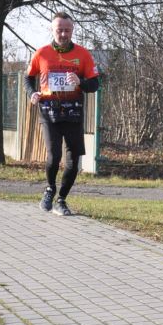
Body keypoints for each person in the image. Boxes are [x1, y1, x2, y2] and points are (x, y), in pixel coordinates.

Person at [26, 12, 100, 216]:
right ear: (52, 30)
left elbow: (95, 84)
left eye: (67, 30)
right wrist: (32, 93)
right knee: (54, 154)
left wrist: (80, 82)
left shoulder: (83, 54)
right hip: (49, 110)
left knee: (73, 158)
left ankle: (62, 199)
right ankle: (50, 189)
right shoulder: (41, 53)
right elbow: (28, 77)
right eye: (59, 30)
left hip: (73, 111)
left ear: (72, 30)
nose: (64, 34)